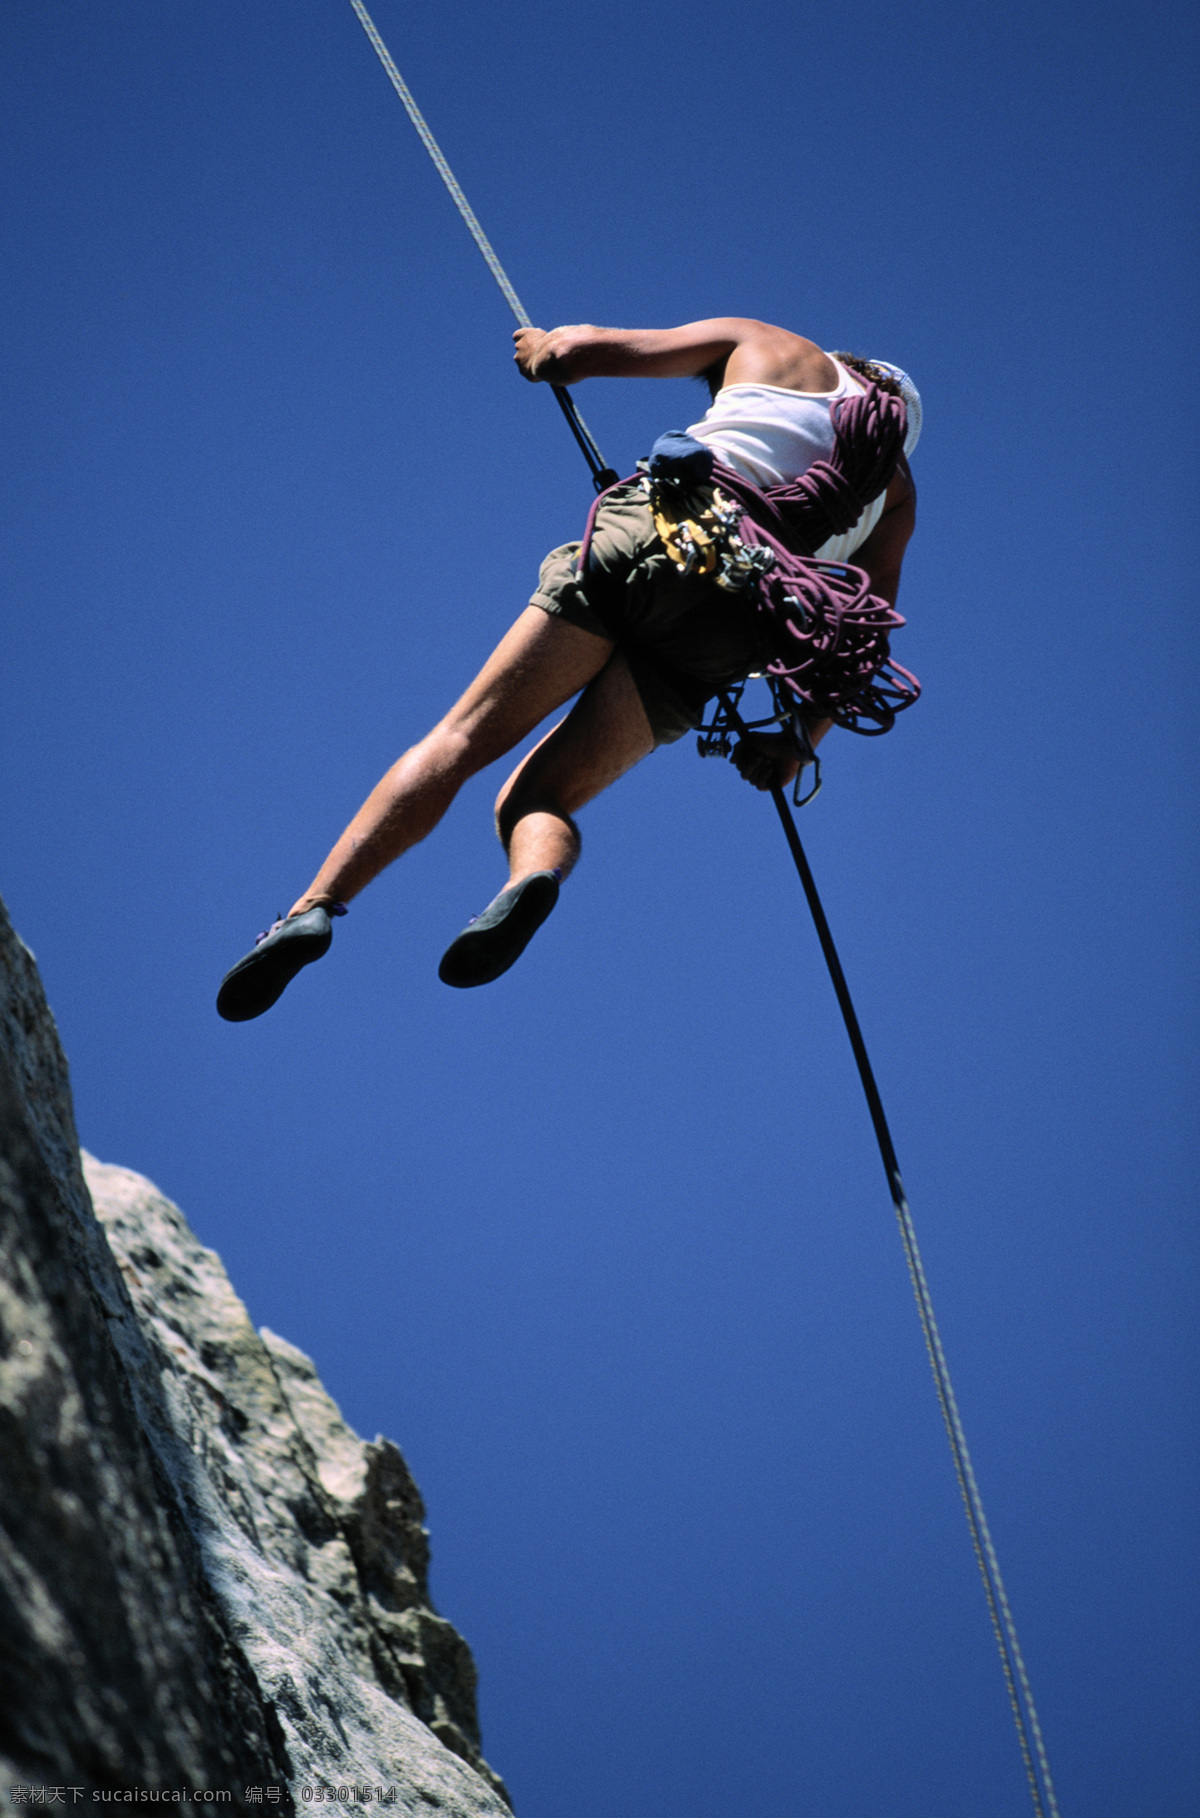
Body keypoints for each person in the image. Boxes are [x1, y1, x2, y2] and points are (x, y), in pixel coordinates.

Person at [216, 317, 919, 1021]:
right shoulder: (895, 490)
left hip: (662, 530)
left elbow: (572, 353)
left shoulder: (777, 346)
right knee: (536, 800)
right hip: (732, 622)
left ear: (851, 363)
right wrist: (795, 744)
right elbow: (859, 648)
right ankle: (532, 875)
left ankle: (314, 909)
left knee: (460, 741)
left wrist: (541, 352)